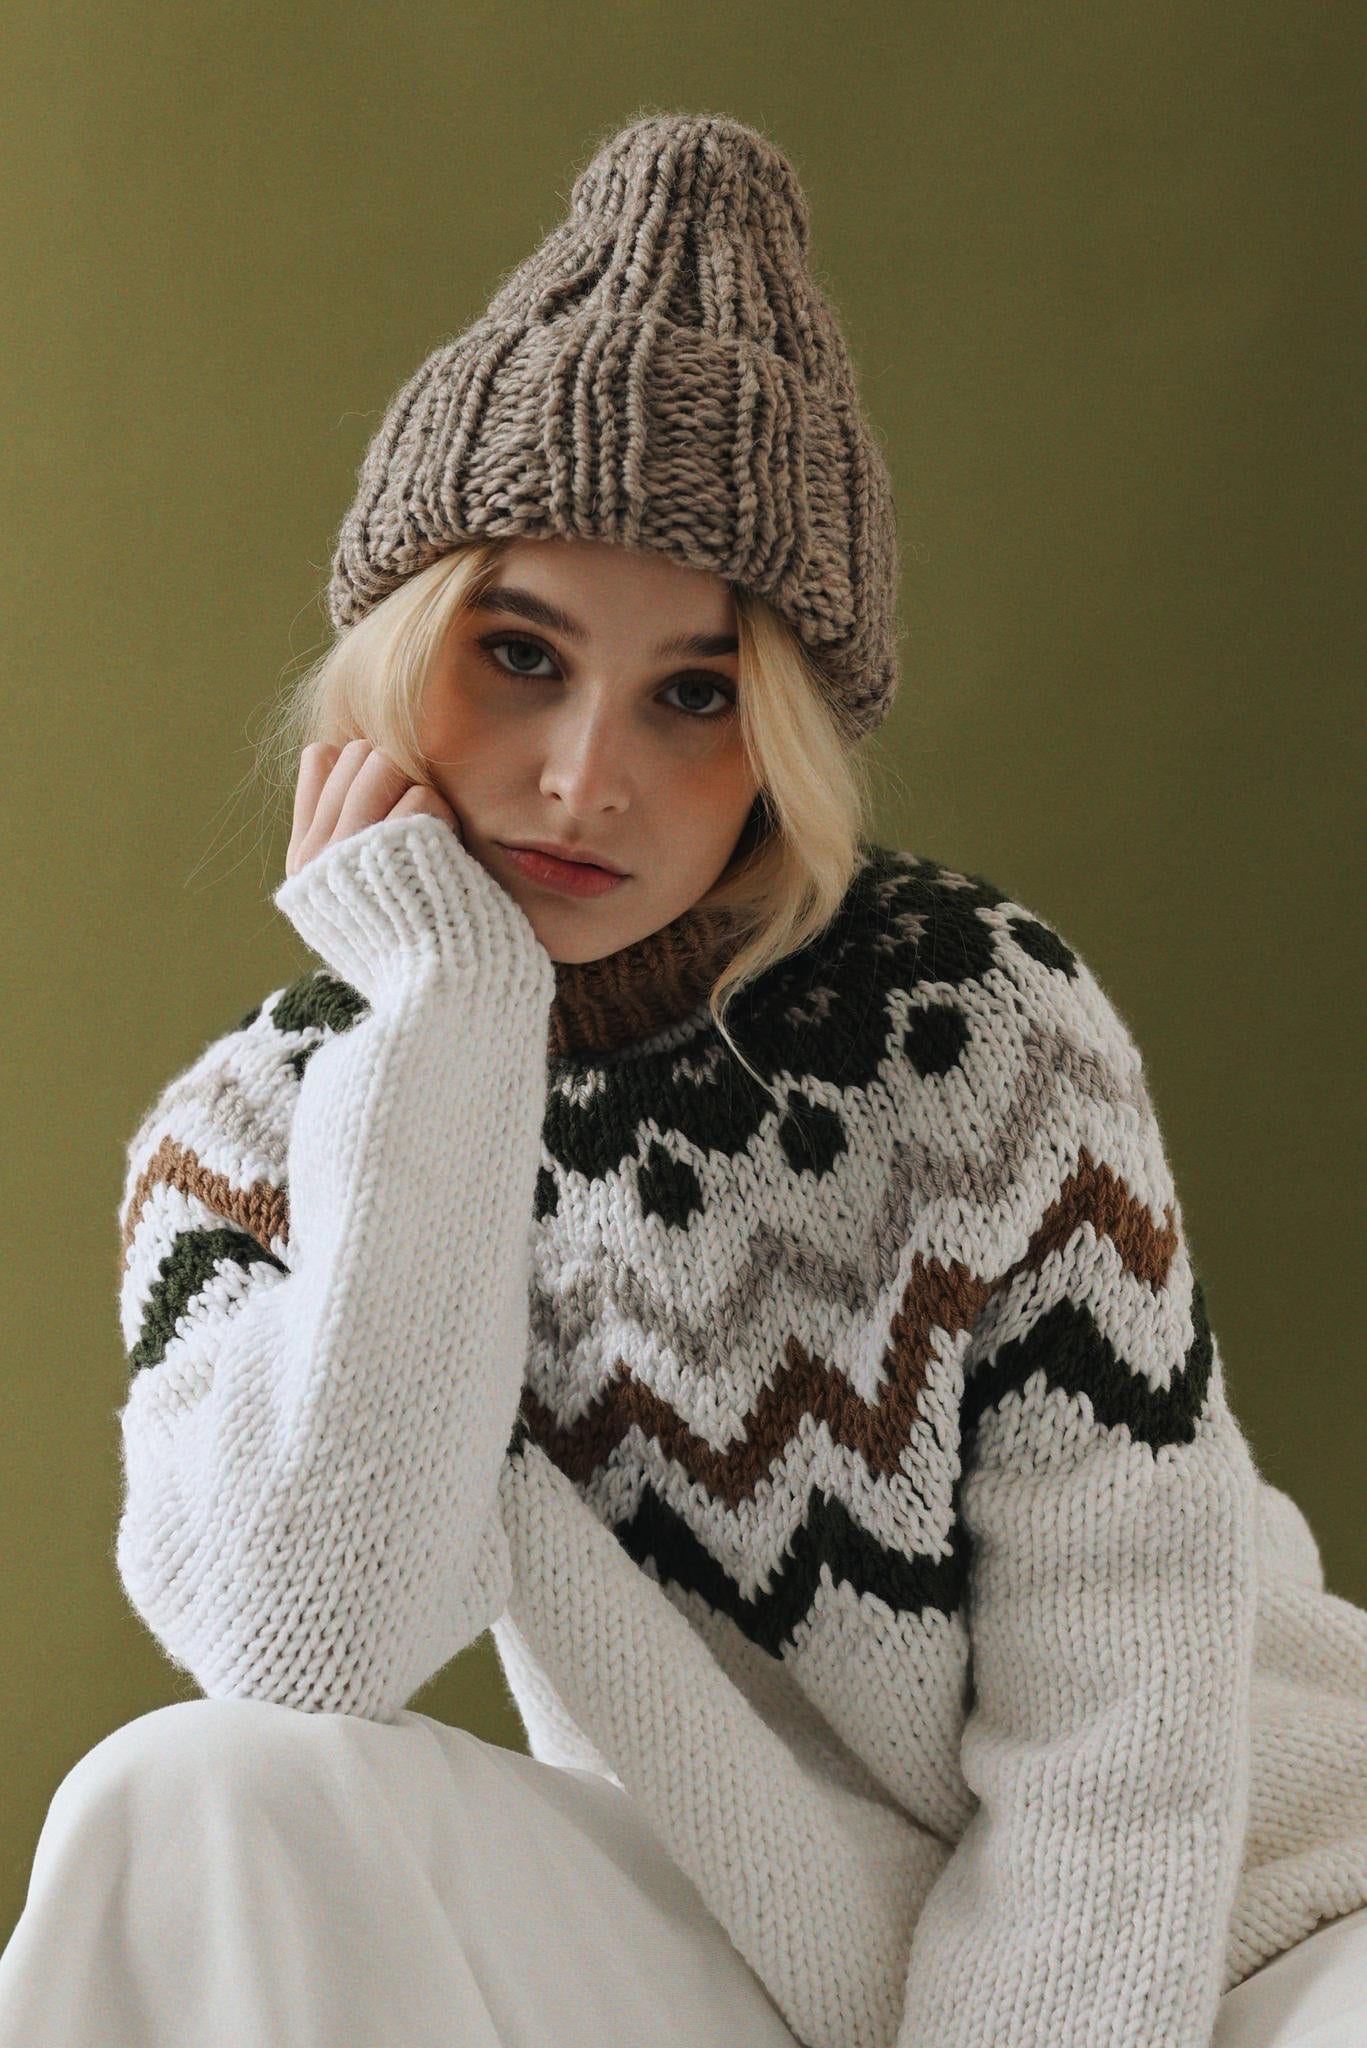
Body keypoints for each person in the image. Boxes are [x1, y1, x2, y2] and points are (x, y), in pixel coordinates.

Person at [3, 110, 1365, 2048]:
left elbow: (1118, 1716)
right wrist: (447, 1020)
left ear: (785, 731)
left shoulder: (974, 1024)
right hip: (776, 1936)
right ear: (400, 650)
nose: (586, 779)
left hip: (1243, 1920)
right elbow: (316, 1636)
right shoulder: (251, 1136)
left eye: (697, 693)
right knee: (189, 1799)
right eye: (518, 654)